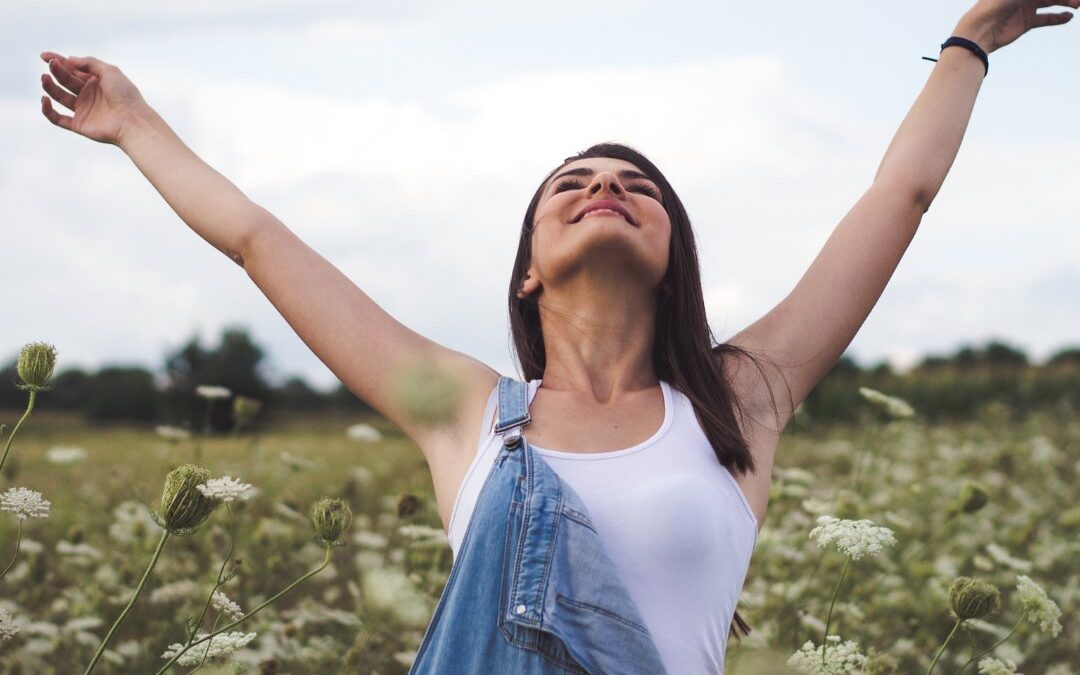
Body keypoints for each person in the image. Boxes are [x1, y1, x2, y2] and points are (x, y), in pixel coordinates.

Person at [37, 0, 1075, 671]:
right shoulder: (465, 414)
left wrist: (970, 42)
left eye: (636, 186)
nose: (606, 188)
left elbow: (901, 194)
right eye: (572, 186)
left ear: (674, 249)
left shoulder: (741, 399)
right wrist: (134, 125)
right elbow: (260, 242)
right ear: (528, 269)